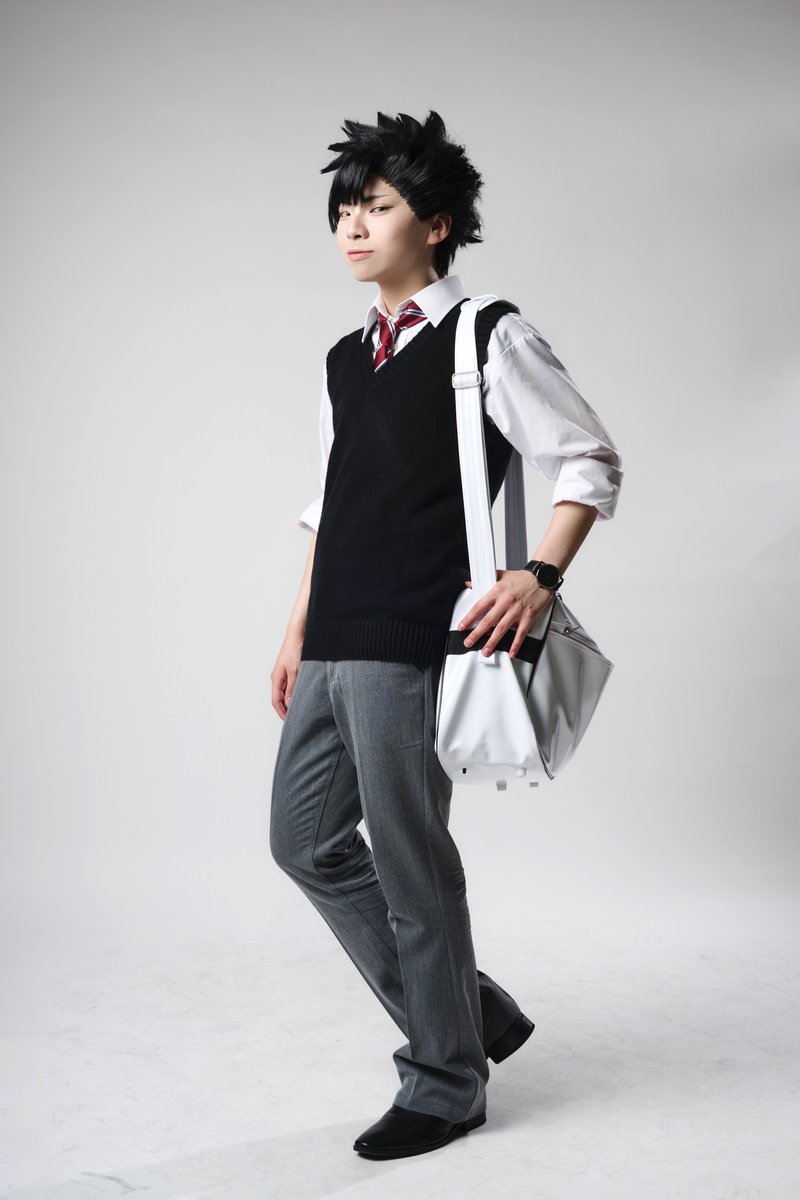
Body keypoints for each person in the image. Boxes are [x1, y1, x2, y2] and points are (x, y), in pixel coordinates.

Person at [269, 110, 623, 1160]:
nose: (350, 226)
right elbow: (332, 502)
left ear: (433, 224)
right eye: (342, 209)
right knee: (303, 842)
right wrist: (293, 627)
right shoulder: (345, 358)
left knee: (411, 862)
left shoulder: (486, 335)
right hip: (334, 633)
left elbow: (588, 459)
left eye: (374, 206)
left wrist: (538, 574)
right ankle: (469, 1011)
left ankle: (445, 1079)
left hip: (414, 636)